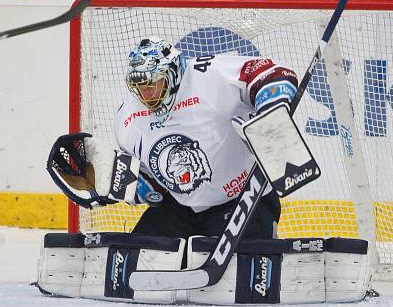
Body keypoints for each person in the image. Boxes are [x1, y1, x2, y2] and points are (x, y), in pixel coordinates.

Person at [114, 38, 297, 239]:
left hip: (245, 197)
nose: (145, 94)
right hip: (183, 208)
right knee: (138, 254)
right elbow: (152, 181)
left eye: (152, 83)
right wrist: (123, 185)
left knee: (242, 264)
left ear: (172, 73)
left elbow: (274, 73)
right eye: (139, 85)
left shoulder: (207, 76)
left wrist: (270, 110)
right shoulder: (127, 118)